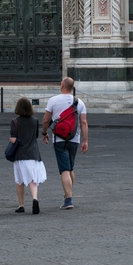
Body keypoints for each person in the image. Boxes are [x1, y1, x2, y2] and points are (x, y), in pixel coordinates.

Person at [42, 77, 88, 210]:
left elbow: (46, 119)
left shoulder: (53, 100)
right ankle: (68, 194)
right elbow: (83, 122)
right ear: (73, 88)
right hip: (74, 139)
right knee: (70, 168)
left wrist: (44, 133)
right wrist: (85, 140)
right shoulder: (79, 103)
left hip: (59, 139)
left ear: (62, 85)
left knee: (64, 170)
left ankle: (68, 199)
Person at [9, 97, 46, 214]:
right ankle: (35, 198)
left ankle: (21, 205)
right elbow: (35, 136)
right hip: (34, 153)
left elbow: (13, 140)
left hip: (21, 154)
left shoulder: (15, 121)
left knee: (20, 180)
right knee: (32, 180)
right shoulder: (35, 121)